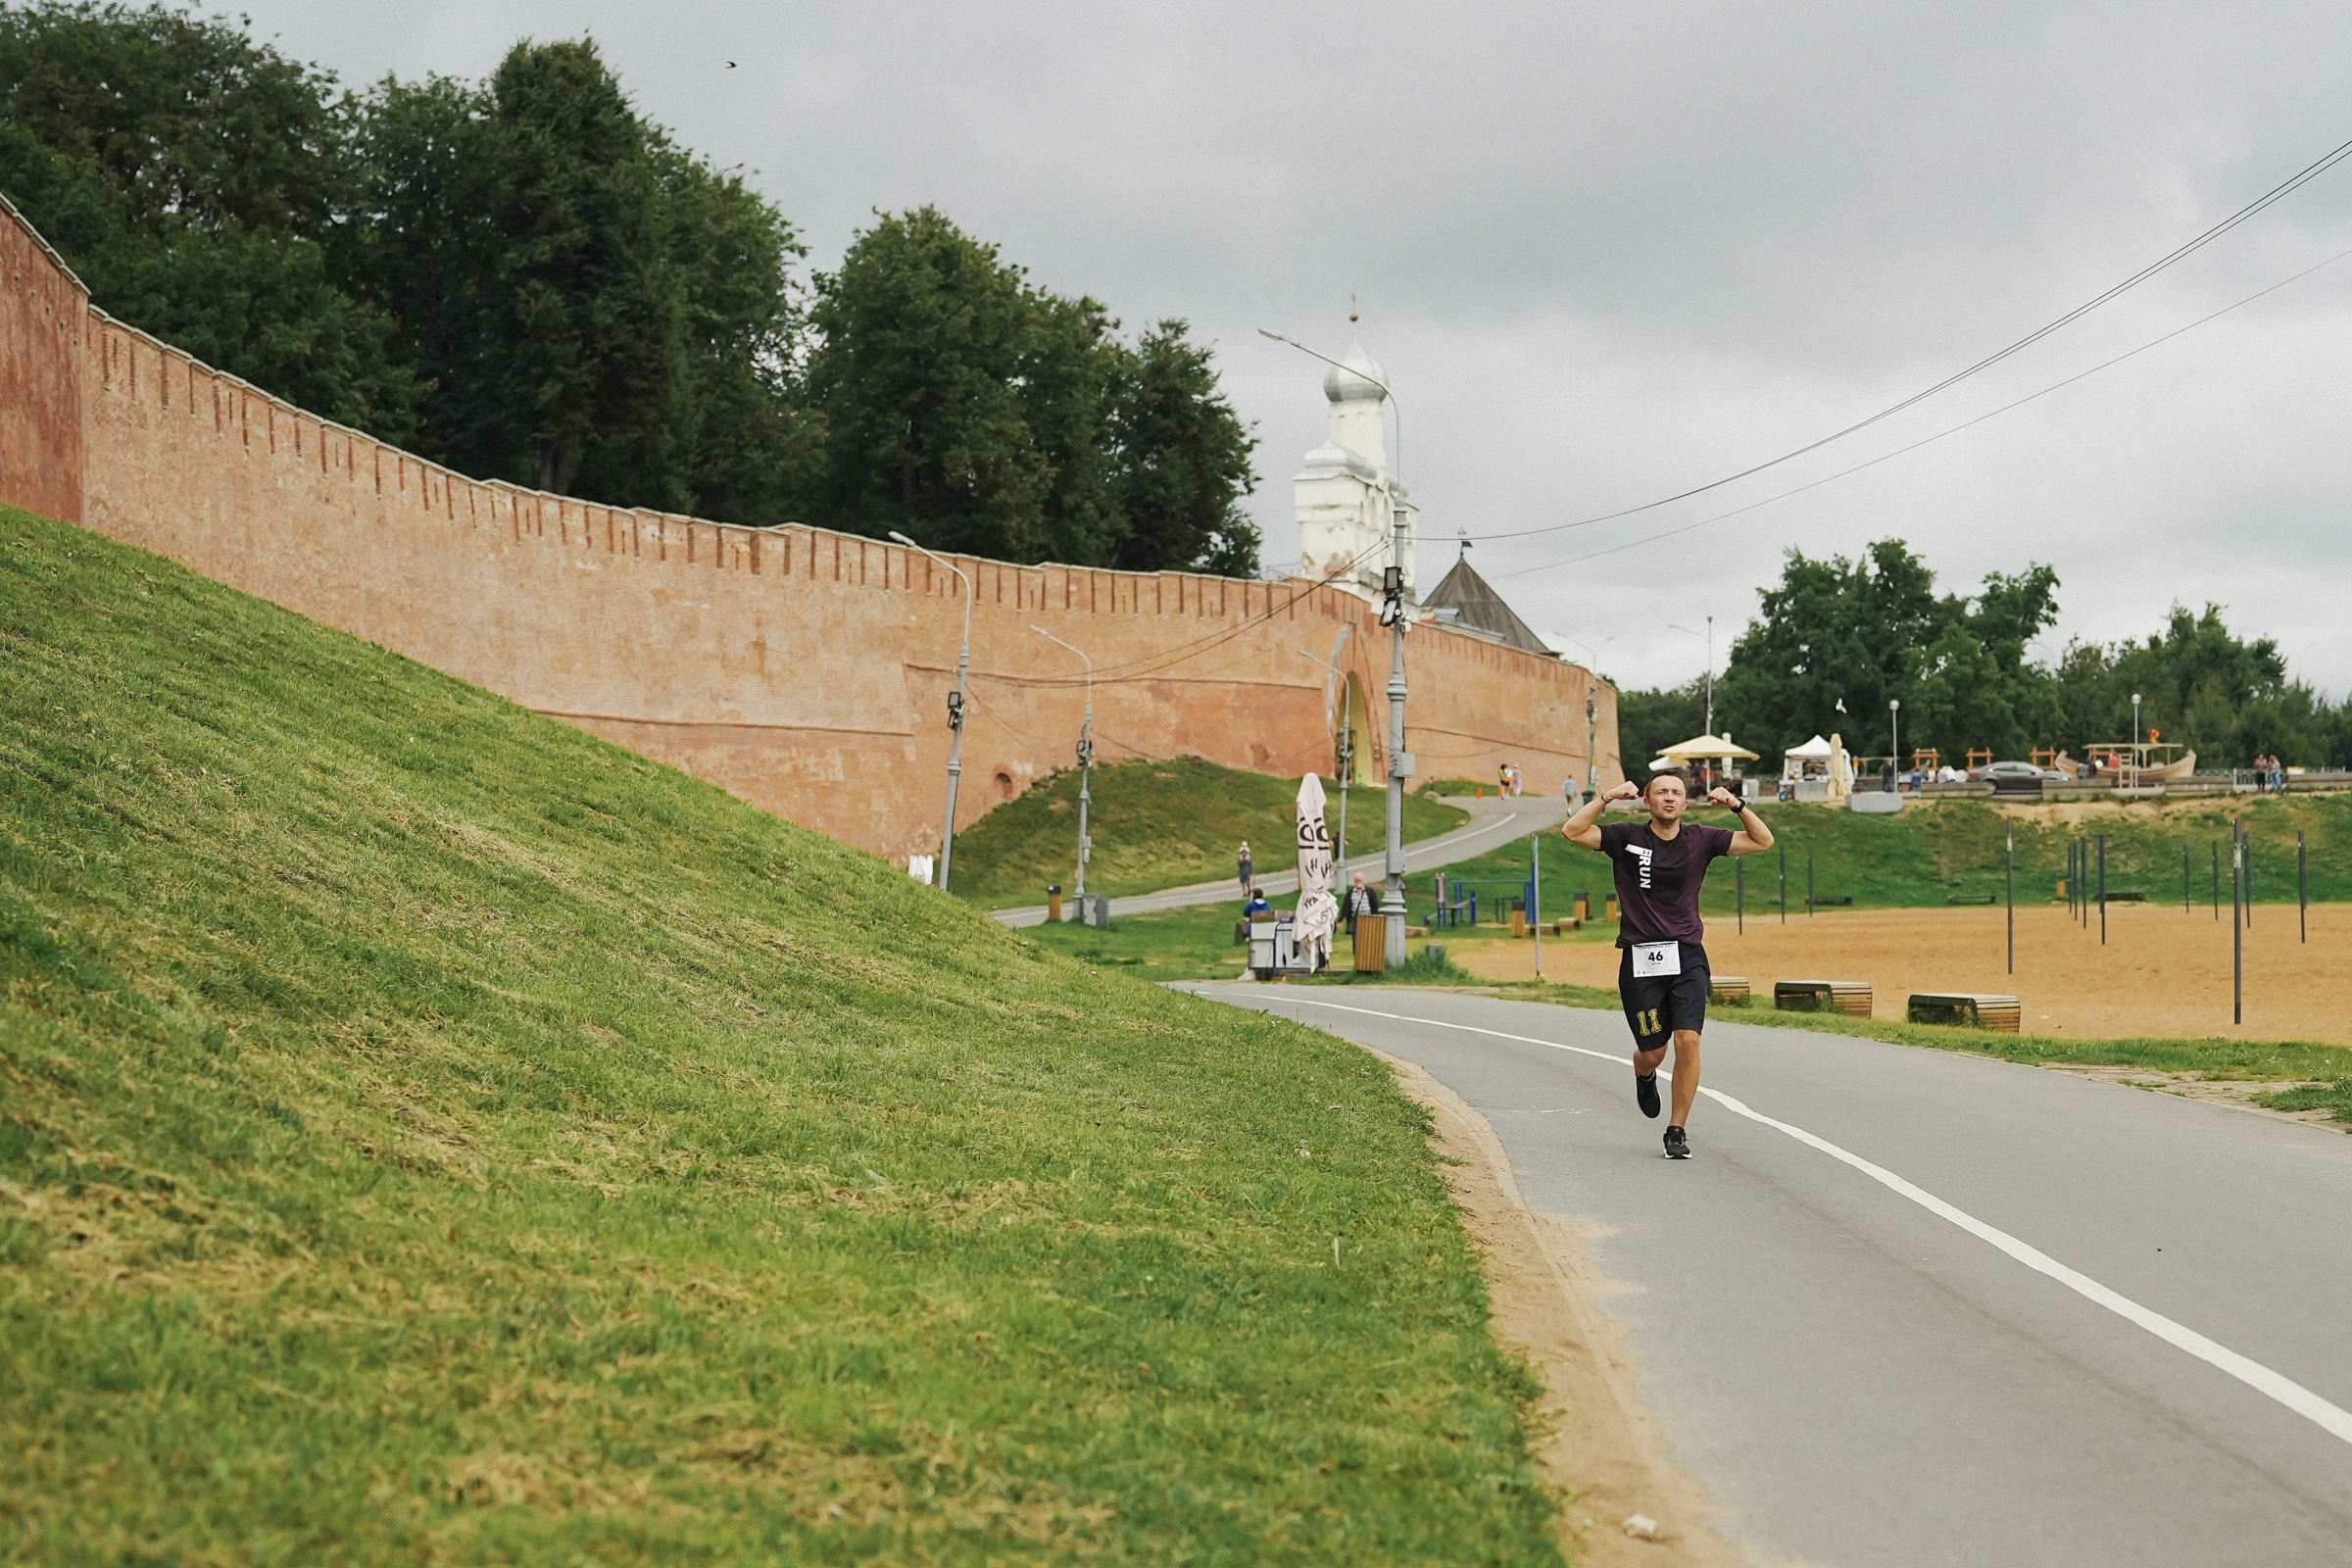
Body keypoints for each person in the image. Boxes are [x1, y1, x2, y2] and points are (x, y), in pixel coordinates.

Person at [1560, 769, 1775, 1159]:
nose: (1670, 798)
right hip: (1640, 959)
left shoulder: (1702, 839)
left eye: (1677, 792)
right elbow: (1573, 831)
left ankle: (1677, 1129)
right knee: (1654, 1052)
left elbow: (1763, 840)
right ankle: (1643, 1073)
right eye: (1661, 792)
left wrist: (1736, 805)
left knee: (1688, 1040)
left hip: (1687, 955)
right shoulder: (1626, 837)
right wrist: (1607, 797)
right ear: (1648, 801)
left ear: (1686, 802)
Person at [1344, 871, 1378, 939]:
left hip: (1368, 918)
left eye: (1360, 880)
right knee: (1357, 938)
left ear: (1363, 880)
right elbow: (1346, 906)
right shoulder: (1350, 893)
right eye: (1357, 880)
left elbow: (1375, 905)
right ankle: (1356, 949)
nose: (1359, 882)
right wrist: (1340, 920)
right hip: (1356, 919)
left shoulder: (1370, 891)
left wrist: (1376, 917)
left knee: (1368, 937)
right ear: (1354, 881)